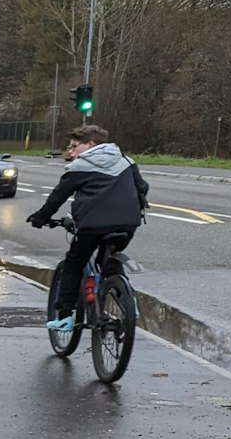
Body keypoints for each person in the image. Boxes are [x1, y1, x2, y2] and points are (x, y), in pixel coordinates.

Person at [27, 124, 149, 331]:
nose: (71, 150)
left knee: (74, 263)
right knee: (109, 259)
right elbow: (143, 187)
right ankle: (129, 304)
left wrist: (40, 218)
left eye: (75, 146)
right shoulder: (126, 161)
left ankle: (65, 316)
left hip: (92, 226)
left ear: (91, 145)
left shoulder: (79, 167)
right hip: (128, 223)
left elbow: (58, 197)